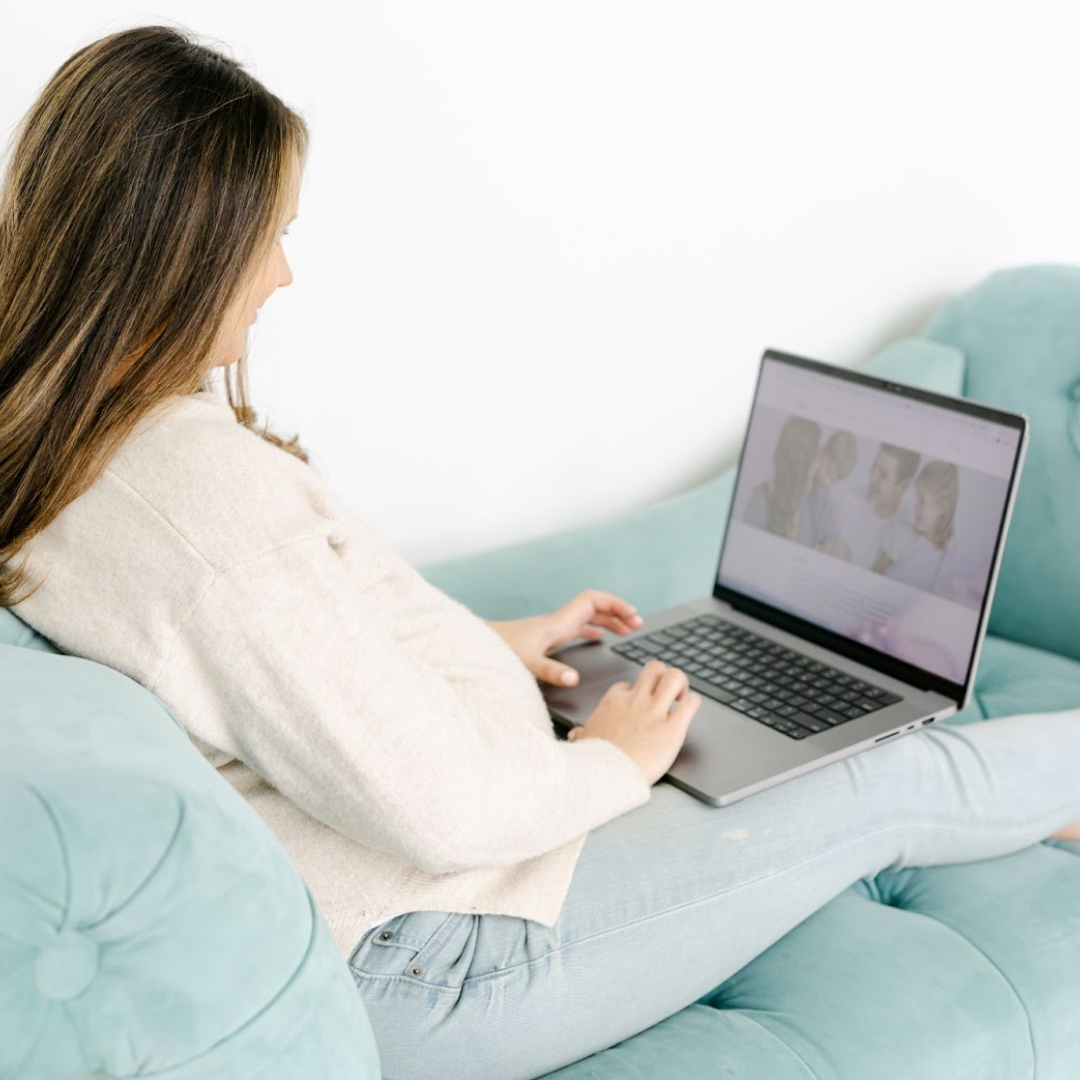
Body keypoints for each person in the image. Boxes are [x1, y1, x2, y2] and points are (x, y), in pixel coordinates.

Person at [1, 26, 1078, 1080]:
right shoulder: (197, 500)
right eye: (273, 235)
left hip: (409, 908)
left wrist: (494, 644)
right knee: (877, 780)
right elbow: (445, 812)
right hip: (440, 957)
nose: (283, 276)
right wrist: (612, 759)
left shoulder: (73, 443)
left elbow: (274, 664)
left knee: (754, 739)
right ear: (181, 250)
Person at [876, 459, 960, 592]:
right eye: (917, 500)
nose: (916, 508)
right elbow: (876, 570)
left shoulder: (945, 554)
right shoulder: (903, 534)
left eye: (922, 501)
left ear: (942, 507)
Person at [834, 442, 921, 570]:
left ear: (903, 486)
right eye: (874, 467)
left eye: (883, 475)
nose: (872, 478)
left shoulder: (908, 535)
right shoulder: (846, 500)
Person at [743, 415, 821, 541]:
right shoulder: (761, 501)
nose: (818, 466)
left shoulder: (815, 506)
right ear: (800, 465)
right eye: (815, 457)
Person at [802, 428, 858, 555]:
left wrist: (830, 540)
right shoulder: (807, 468)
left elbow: (825, 522)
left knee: (839, 547)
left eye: (834, 481)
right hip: (801, 527)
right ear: (822, 451)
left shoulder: (824, 491)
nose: (828, 483)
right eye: (828, 472)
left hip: (817, 536)